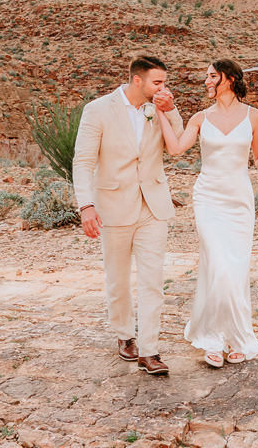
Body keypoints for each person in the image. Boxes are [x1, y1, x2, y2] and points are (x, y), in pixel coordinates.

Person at [157, 59, 258, 367]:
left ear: (229, 79)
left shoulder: (255, 116)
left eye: (211, 76)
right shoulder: (200, 117)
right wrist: (158, 111)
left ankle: (238, 338)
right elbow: (175, 149)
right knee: (220, 266)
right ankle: (212, 339)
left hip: (239, 201)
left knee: (234, 271)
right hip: (208, 198)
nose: (206, 81)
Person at [72, 55, 184, 375]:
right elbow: (83, 162)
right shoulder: (98, 110)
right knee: (118, 281)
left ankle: (149, 352)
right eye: (157, 82)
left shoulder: (156, 108)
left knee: (152, 281)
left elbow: (178, 143)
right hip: (112, 206)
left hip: (153, 205)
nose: (163, 87)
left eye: (164, 82)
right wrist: (86, 205)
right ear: (138, 81)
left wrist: (169, 108)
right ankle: (125, 335)